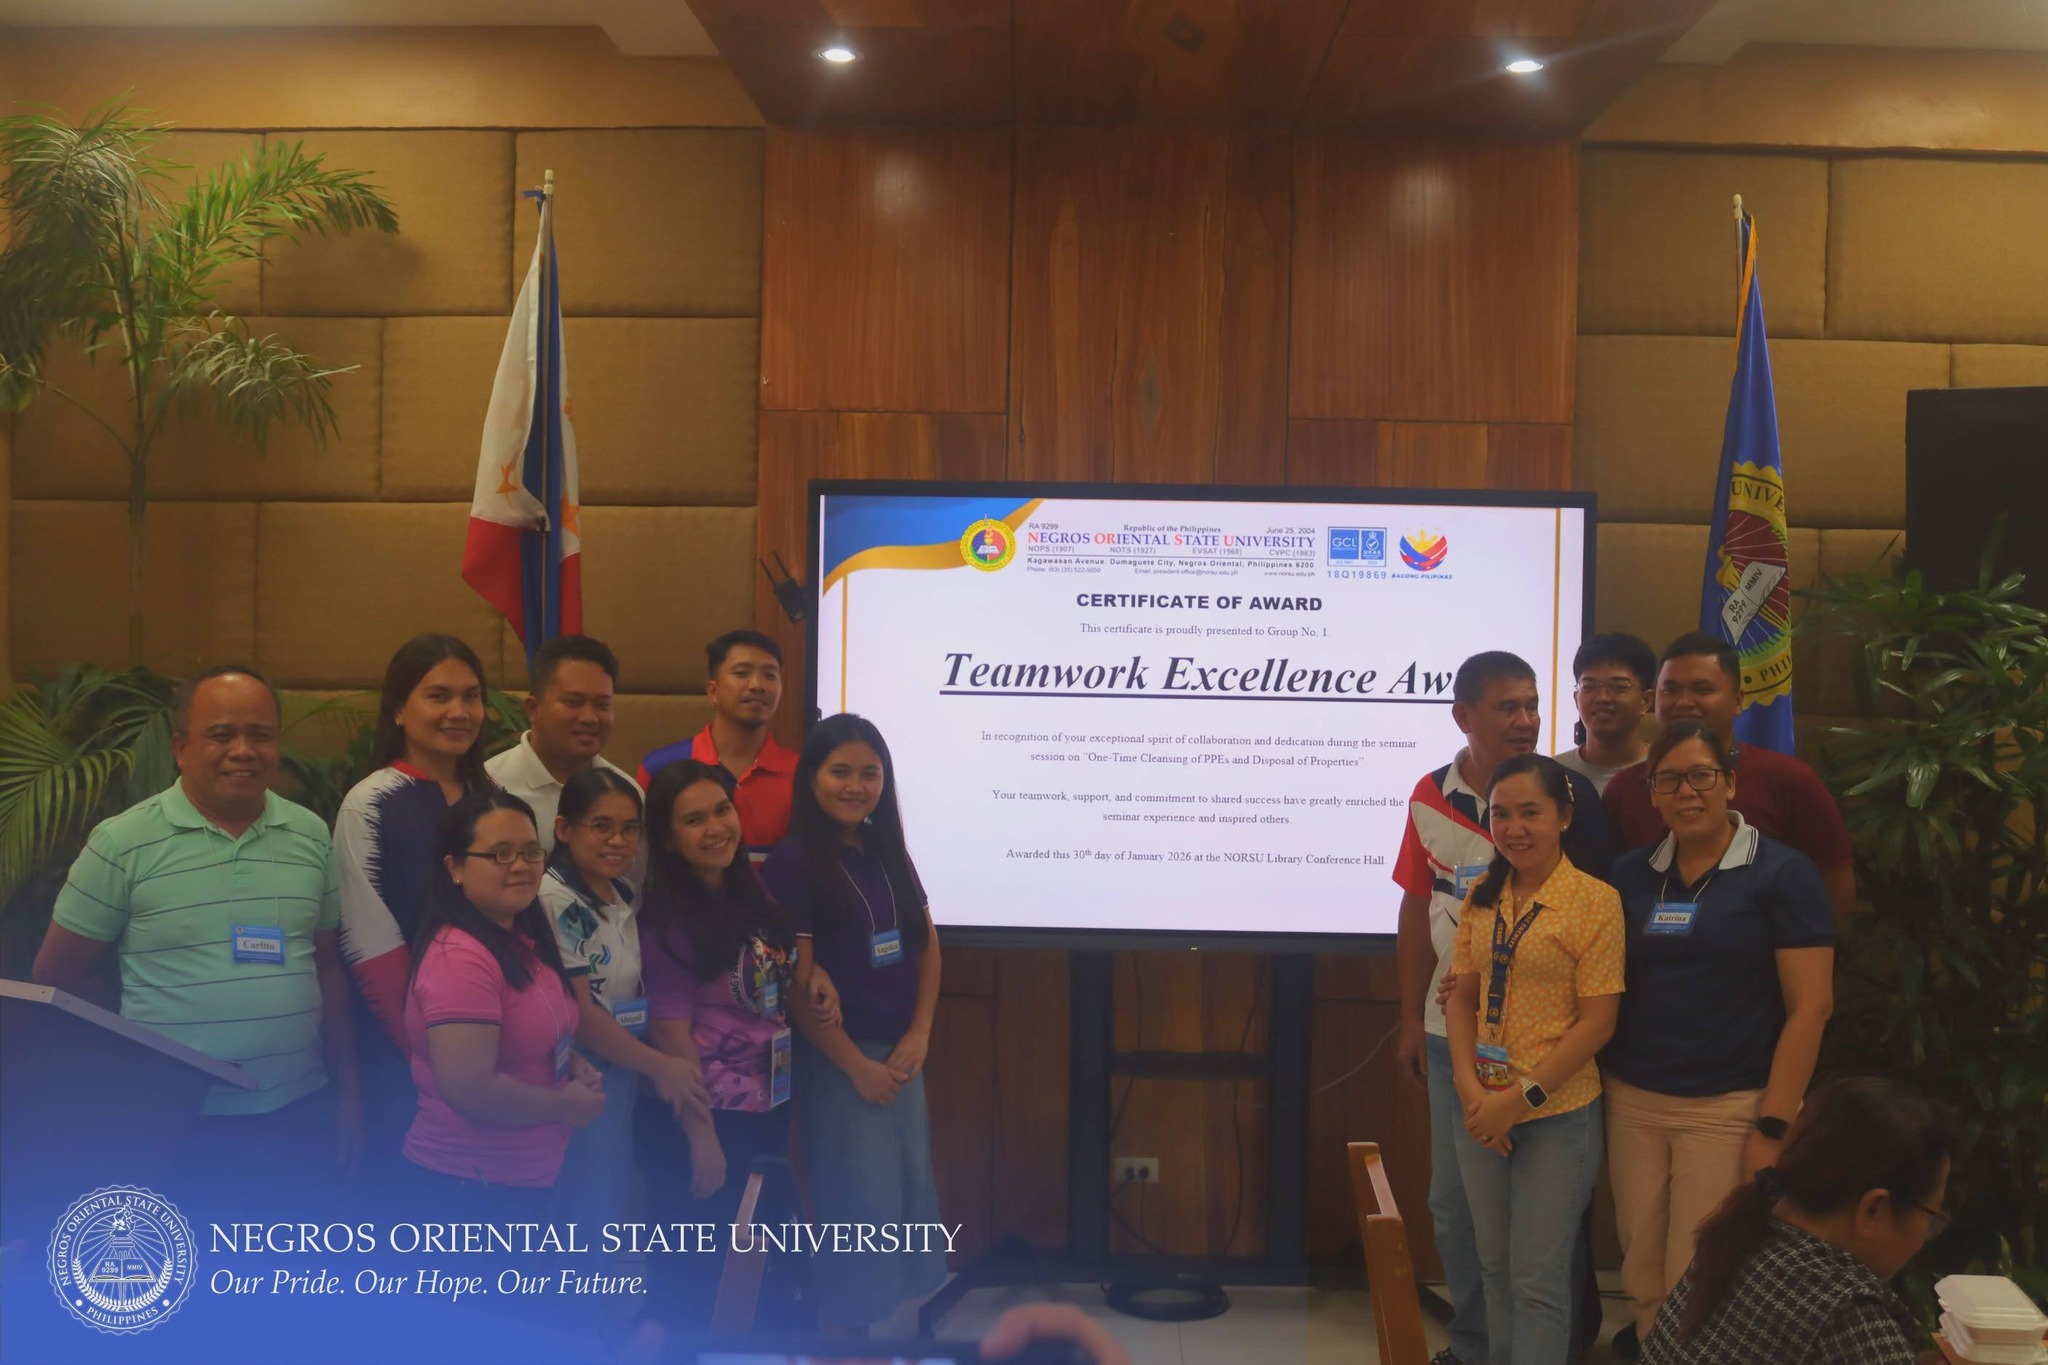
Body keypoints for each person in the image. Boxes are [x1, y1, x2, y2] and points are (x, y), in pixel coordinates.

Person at [33, 665, 362, 1203]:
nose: (243, 750)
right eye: (221, 734)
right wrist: (147, 1050)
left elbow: (326, 968)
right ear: (180, 747)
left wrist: (349, 1095)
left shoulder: (309, 834)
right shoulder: (123, 843)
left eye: (260, 735)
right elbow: (58, 973)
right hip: (172, 1124)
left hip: (296, 1112)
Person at [1392, 650, 1614, 1365]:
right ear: (1464, 716)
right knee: (1461, 1217)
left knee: (1540, 1246)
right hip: (1458, 1048)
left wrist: (1524, 1094)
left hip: (1550, 1064)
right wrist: (1416, 1020)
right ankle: (1477, 1347)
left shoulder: (1568, 797)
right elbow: (1417, 906)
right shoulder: (1431, 799)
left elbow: (1588, 946)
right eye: (1507, 706)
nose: (1525, 719)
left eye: (1532, 705)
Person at [1602, 723, 1836, 1350]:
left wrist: (1774, 1126)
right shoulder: (1629, 875)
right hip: (1633, 1100)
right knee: (1641, 1268)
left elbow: (1811, 1008)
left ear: (1730, 783)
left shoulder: (1783, 874)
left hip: (1728, 1106)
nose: (1687, 792)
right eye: (1669, 780)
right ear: (1652, 794)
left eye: (1702, 776)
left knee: (1696, 1272)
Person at [761, 714, 947, 1332]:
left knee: (905, 1193)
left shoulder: (886, 849)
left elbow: (927, 946)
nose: (856, 786)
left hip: (900, 1053)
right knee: (857, 1203)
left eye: (870, 773)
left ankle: (880, 1328)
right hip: (840, 1061)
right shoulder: (792, 863)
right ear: (811, 777)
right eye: (840, 771)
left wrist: (920, 1033)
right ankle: (846, 1335)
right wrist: (856, 1067)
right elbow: (797, 985)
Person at [1445, 753, 1625, 1365]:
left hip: (1557, 1114)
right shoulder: (1482, 894)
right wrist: (1472, 1093)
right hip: (1482, 1108)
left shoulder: (1595, 901)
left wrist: (1517, 1103)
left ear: (1564, 817)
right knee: (1495, 1269)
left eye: (1530, 813)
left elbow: (1598, 1023)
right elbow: (1462, 999)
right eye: (1501, 814)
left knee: (1538, 1280)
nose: (1514, 828)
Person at [635, 760, 812, 1327]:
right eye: (694, 820)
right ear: (667, 839)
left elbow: (774, 963)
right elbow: (670, 1033)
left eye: (722, 810)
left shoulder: (745, 885)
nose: (716, 828)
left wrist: (817, 980)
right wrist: (701, 1135)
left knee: (755, 1270)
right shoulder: (666, 919)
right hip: (704, 1117)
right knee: (693, 1280)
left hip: (763, 1102)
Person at [1642, 1078, 1954, 1365]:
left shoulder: (1741, 1238)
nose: (1925, 1235)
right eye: (1931, 1217)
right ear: (1874, 1209)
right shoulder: (1848, 1315)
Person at [403, 790, 604, 1218]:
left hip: (525, 1178)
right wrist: (563, 1105)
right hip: (470, 1190)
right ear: (455, 867)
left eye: (530, 852)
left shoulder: (520, 938)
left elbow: (533, 1030)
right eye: (500, 854)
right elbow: (470, 1090)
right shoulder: (460, 958)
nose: (520, 865)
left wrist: (569, 1063)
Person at [539, 767, 706, 1236]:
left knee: (605, 1201)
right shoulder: (554, 899)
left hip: (622, 1068)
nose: (618, 841)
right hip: (578, 1073)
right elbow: (581, 1015)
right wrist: (663, 1065)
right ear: (564, 829)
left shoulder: (621, 894)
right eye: (602, 826)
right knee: (577, 1214)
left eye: (630, 828)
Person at [1602, 632, 1856, 918]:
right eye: (1670, 690)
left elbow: (1835, 893)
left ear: (1737, 700)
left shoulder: (1790, 780)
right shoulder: (1624, 788)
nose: (1684, 702)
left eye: (1702, 689)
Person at [638, 629, 796, 855]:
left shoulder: (801, 774)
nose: (757, 685)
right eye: (741, 673)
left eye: (770, 675)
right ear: (713, 691)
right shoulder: (661, 767)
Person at [485, 634, 637, 854]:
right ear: (533, 709)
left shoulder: (627, 792)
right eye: (573, 702)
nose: (590, 718)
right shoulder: (489, 786)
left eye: (602, 705)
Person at [1555, 632, 1656, 794]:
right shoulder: (1552, 773)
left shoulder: (1666, 771)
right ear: (1576, 699)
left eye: (1618, 687)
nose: (1602, 698)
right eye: (1589, 687)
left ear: (1646, 700)